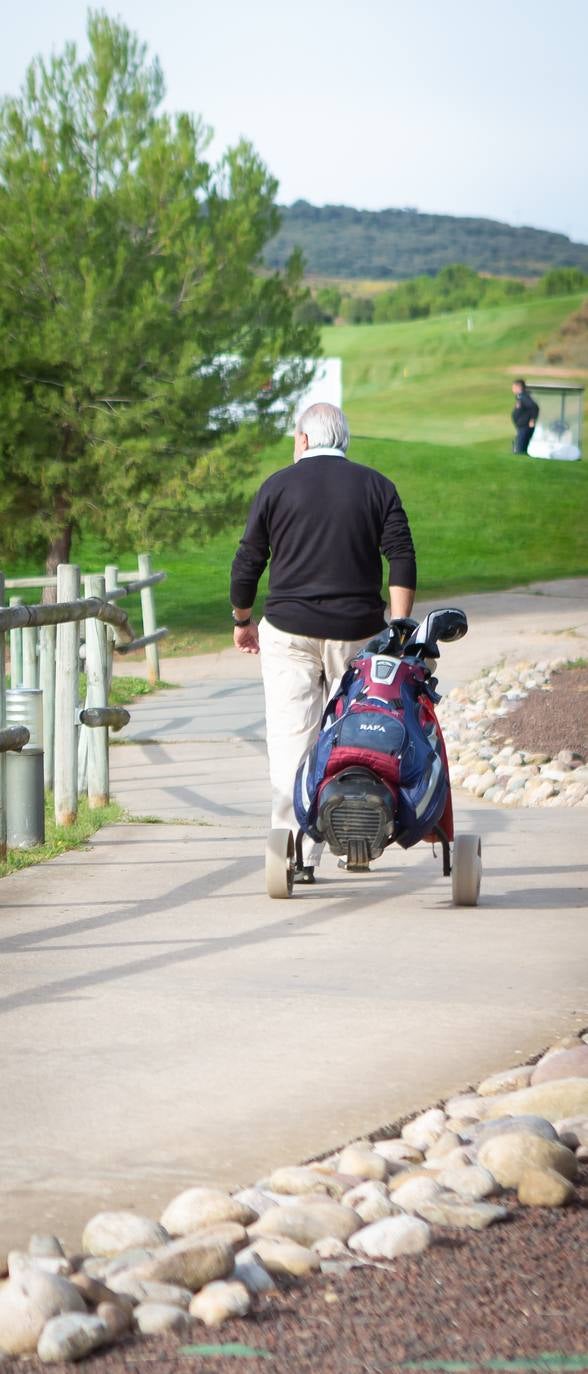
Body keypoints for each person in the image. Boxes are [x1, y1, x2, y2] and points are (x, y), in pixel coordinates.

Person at [229, 401, 417, 884]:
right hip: (357, 635)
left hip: (289, 632)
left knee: (293, 739)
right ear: (344, 441)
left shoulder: (276, 486)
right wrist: (398, 628)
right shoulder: (377, 486)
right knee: (355, 735)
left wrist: (243, 619)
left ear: (305, 440)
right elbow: (400, 556)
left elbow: (249, 558)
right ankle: (355, 831)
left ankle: (295, 851)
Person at [511, 379, 539, 454]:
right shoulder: (520, 397)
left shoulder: (524, 397)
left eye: (514, 387)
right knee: (520, 448)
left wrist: (532, 420)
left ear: (519, 387)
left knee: (520, 449)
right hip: (522, 426)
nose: (512, 389)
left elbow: (534, 407)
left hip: (524, 426)